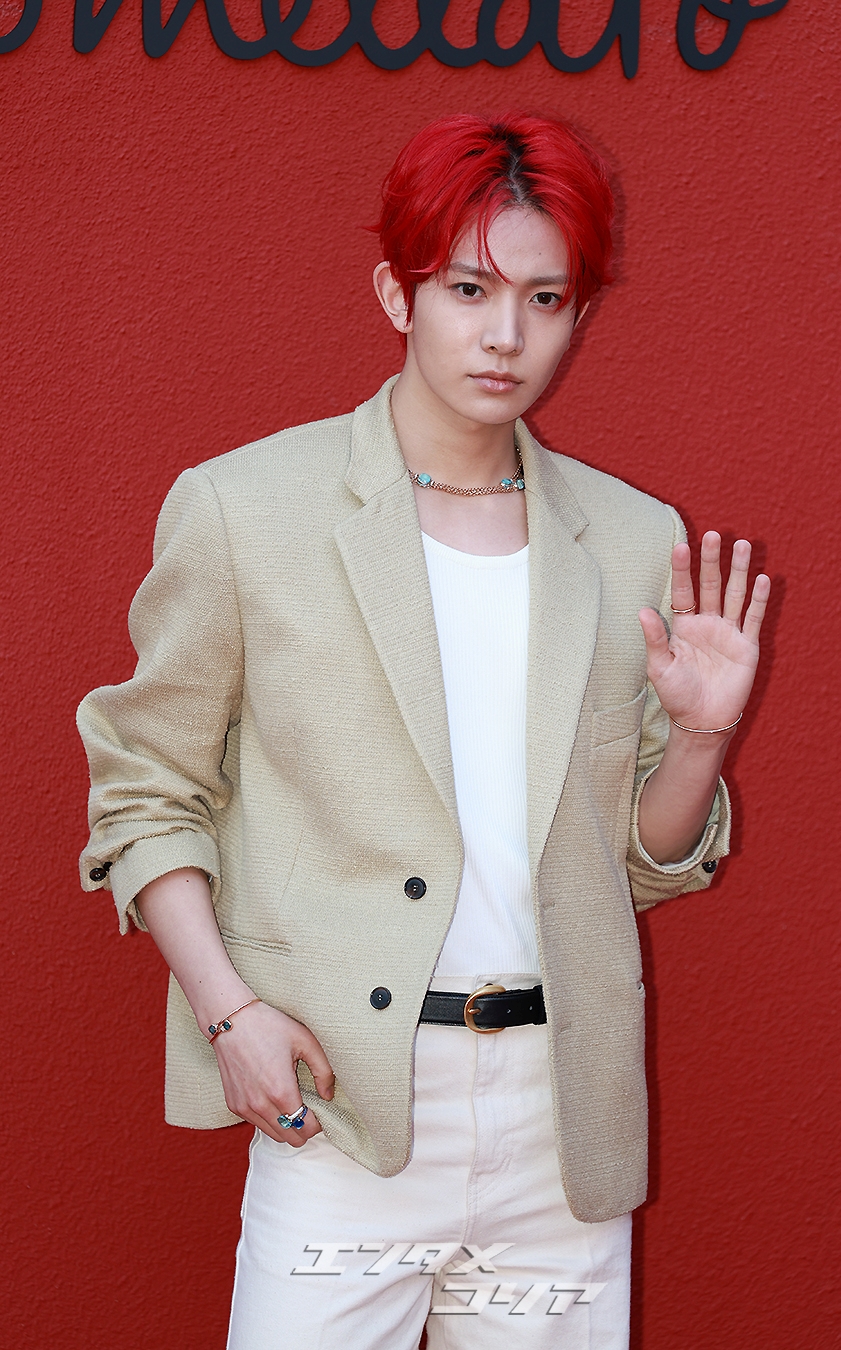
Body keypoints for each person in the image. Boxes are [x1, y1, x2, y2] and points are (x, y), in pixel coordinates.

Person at [78, 111, 769, 1349]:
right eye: (468, 289)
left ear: (579, 315)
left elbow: (640, 862)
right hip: (346, 1105)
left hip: (560, 1127)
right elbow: (146, 790)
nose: (506, 335)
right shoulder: (245, 511)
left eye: (545, 299)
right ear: (396, 294)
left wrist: (702, 742)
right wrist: (230, 1014)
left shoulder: (630, 542)